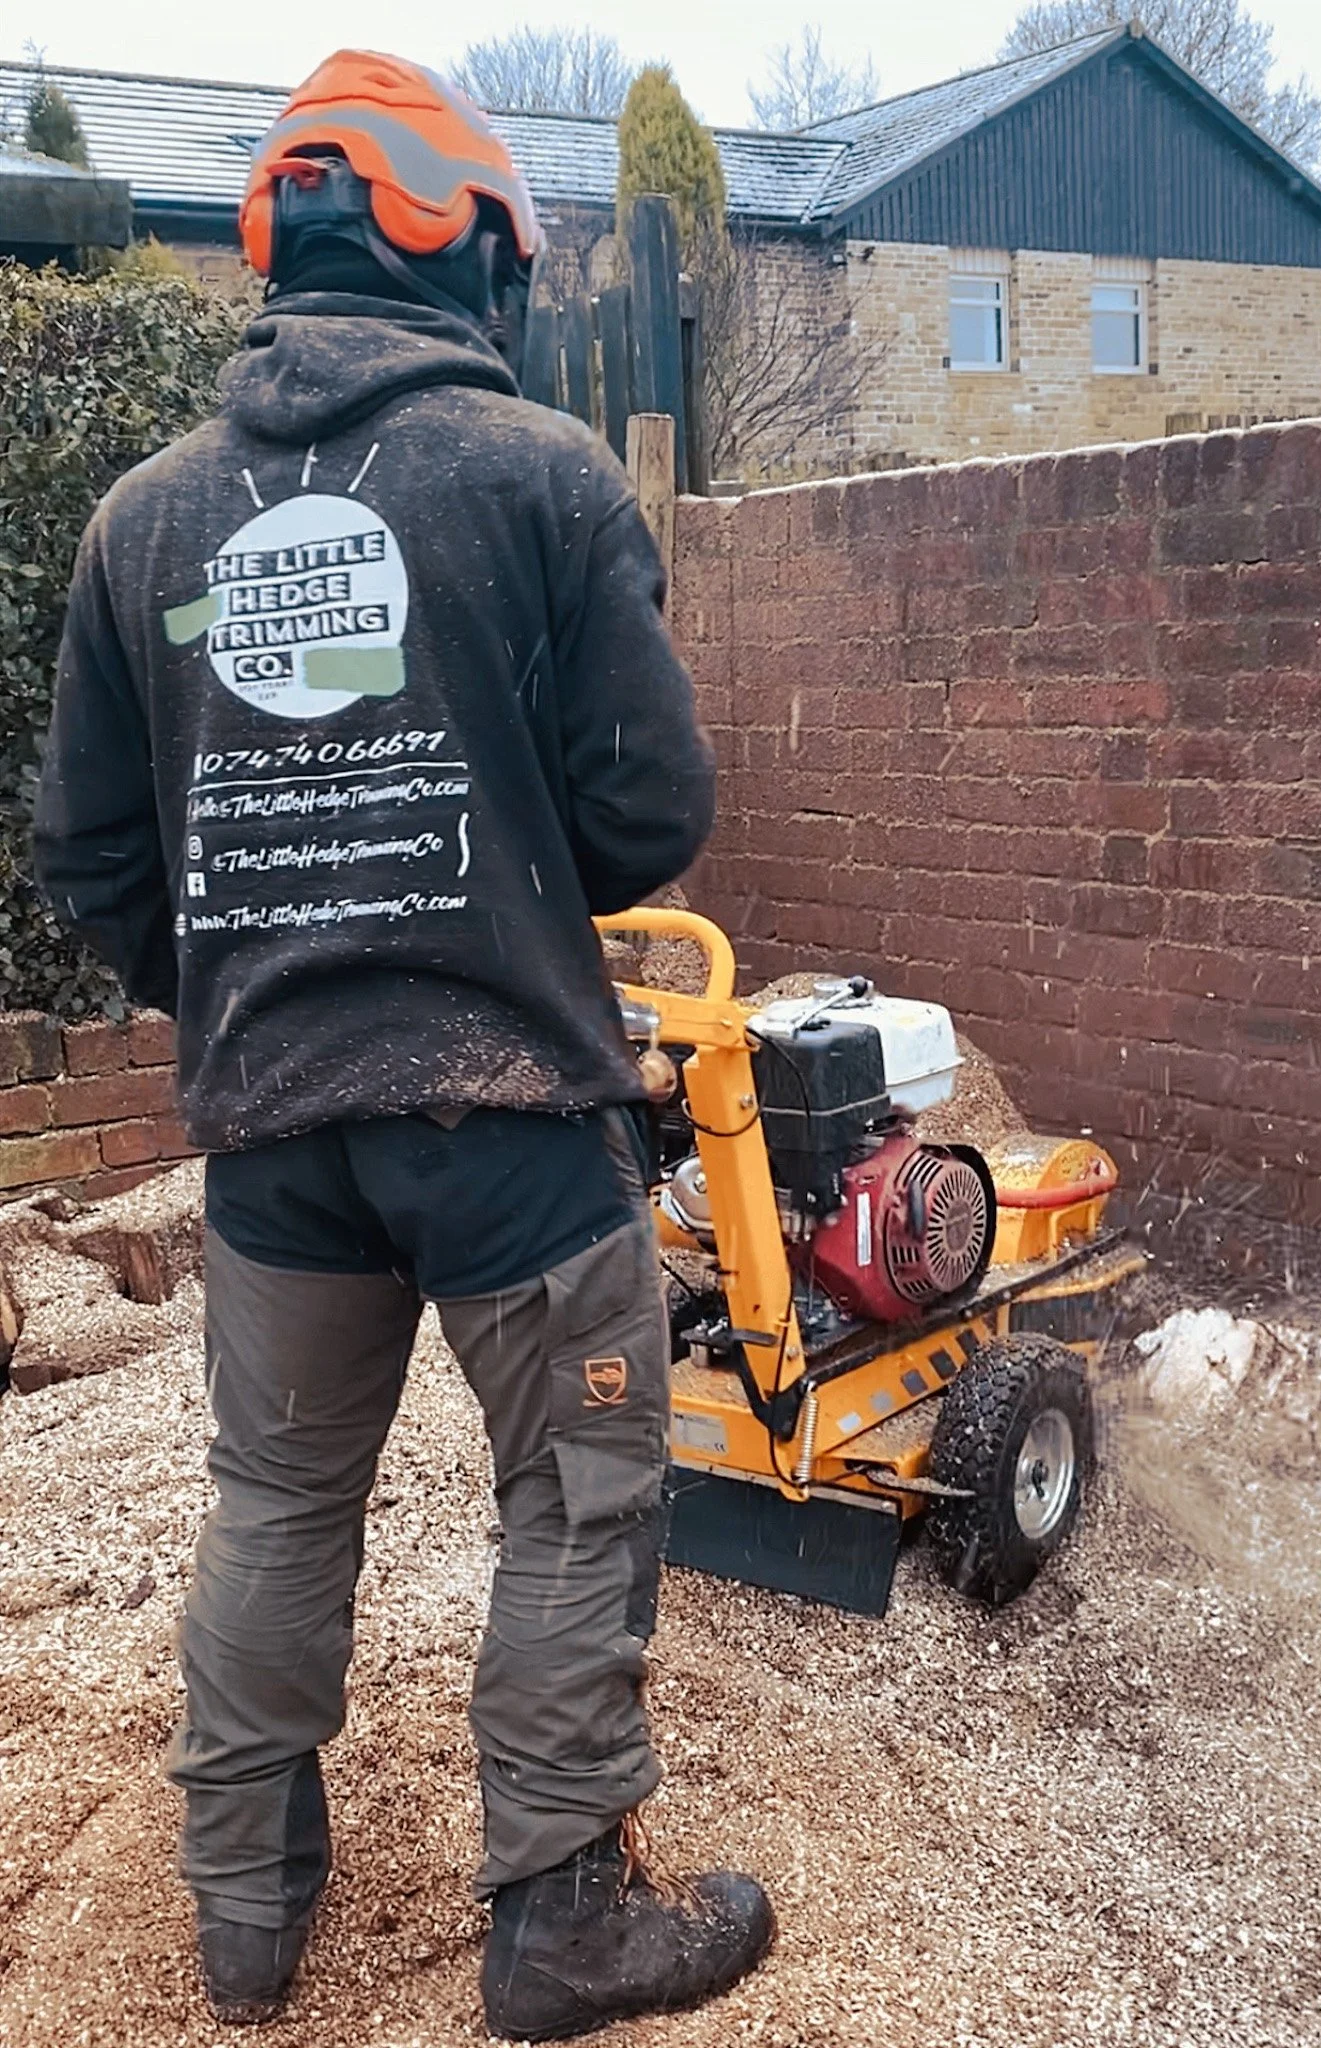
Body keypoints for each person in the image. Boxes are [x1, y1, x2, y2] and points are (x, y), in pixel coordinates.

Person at [34, 49, 773, 2041]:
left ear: (281, 246)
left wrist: (243, 973)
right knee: (582, 1483)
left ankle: (241, 1924)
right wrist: (494, 879)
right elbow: (649, 805)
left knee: (277, 1501)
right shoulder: (541, 476)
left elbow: (90, 853)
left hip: (273, 1135)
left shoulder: (139, 522)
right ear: (464, 245)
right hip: (506, 1120)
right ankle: (560, 1921)